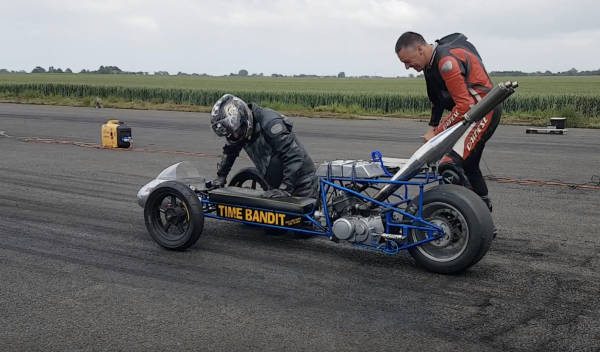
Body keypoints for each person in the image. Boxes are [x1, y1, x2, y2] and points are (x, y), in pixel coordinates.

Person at [394, 31, 501, 238]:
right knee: (468, 166)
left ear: (419, 49)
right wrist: (431, 127)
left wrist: (439, 133)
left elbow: (463, 105)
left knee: (448, 164)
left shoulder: (446, 61)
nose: (407, 67)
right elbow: (438, 100)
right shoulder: (430, 65)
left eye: (407, 61)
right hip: (474, 113)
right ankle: (485, 223)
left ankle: (473, 221)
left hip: (483, 111)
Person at [209, 93, 318, 199]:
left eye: (235, 131)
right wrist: (221, 176)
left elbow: (294, 156)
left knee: (305, 217)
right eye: (230, 134)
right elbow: (231, 150)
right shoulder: (240, 130)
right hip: (276, 187)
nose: (234, 136)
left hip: (302, 184)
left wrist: (286, 188)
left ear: (244, 118)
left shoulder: (270, 123)